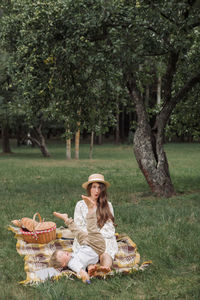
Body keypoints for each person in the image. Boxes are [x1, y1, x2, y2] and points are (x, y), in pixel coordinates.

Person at [49, 196, 106, 284]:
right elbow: (81, 272)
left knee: (77, 232)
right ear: (63, 264)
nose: (63, 252)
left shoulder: (71, 256)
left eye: (61, 252)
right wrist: (86, 279)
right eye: (61, 256)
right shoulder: (73, 264)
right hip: (96, 246)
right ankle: (91, 209)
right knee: (91, 228)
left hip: (87, 244)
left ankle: (66, 219)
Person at [73, 173, 118, 276]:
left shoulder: (107, 205)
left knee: (105, 251)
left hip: (103, 236)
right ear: (89, 188)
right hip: (87, 236)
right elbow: (79, 225)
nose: (97, 191)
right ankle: (90, 267)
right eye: (94, 187)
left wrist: (98, 237)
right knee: (86, 249)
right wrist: (92, 236)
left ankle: (105, 267)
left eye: (99, 187)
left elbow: (109, 226)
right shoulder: (80, 205)